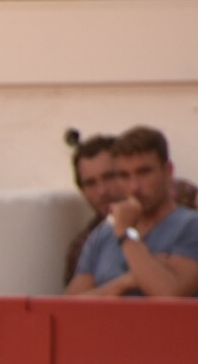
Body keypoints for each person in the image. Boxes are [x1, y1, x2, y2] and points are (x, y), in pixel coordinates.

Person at [67, 126, 198, 298]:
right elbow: (69, 307)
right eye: (124, 176)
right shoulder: (102, 235)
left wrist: (126, 234)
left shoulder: (190, 226)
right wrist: (123, 283)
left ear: (168, 171)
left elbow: (169, 295)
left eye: (144, 172)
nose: (134, 186)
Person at [62, 130, 127, 285]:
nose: (102, 191)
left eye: (109, 177)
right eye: (90, 183)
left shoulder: (177, 204)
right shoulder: (83, 245)